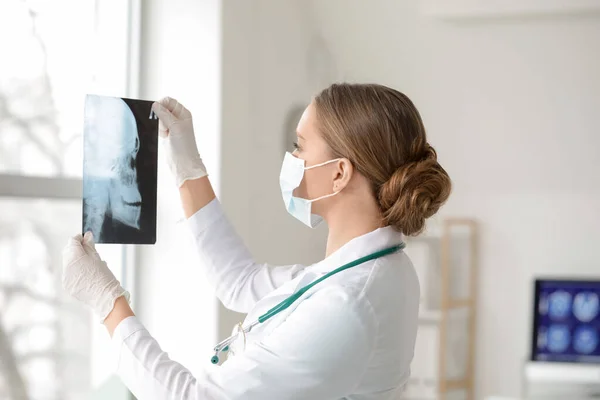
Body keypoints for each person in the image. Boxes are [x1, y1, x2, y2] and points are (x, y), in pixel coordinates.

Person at [62, 83, 451, 399]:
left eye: (300, 146)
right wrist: (186, 162)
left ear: (339, 174)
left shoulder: (348, 306)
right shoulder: (367, 268)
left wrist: (108, 301)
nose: (291, 157)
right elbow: (240, 282)